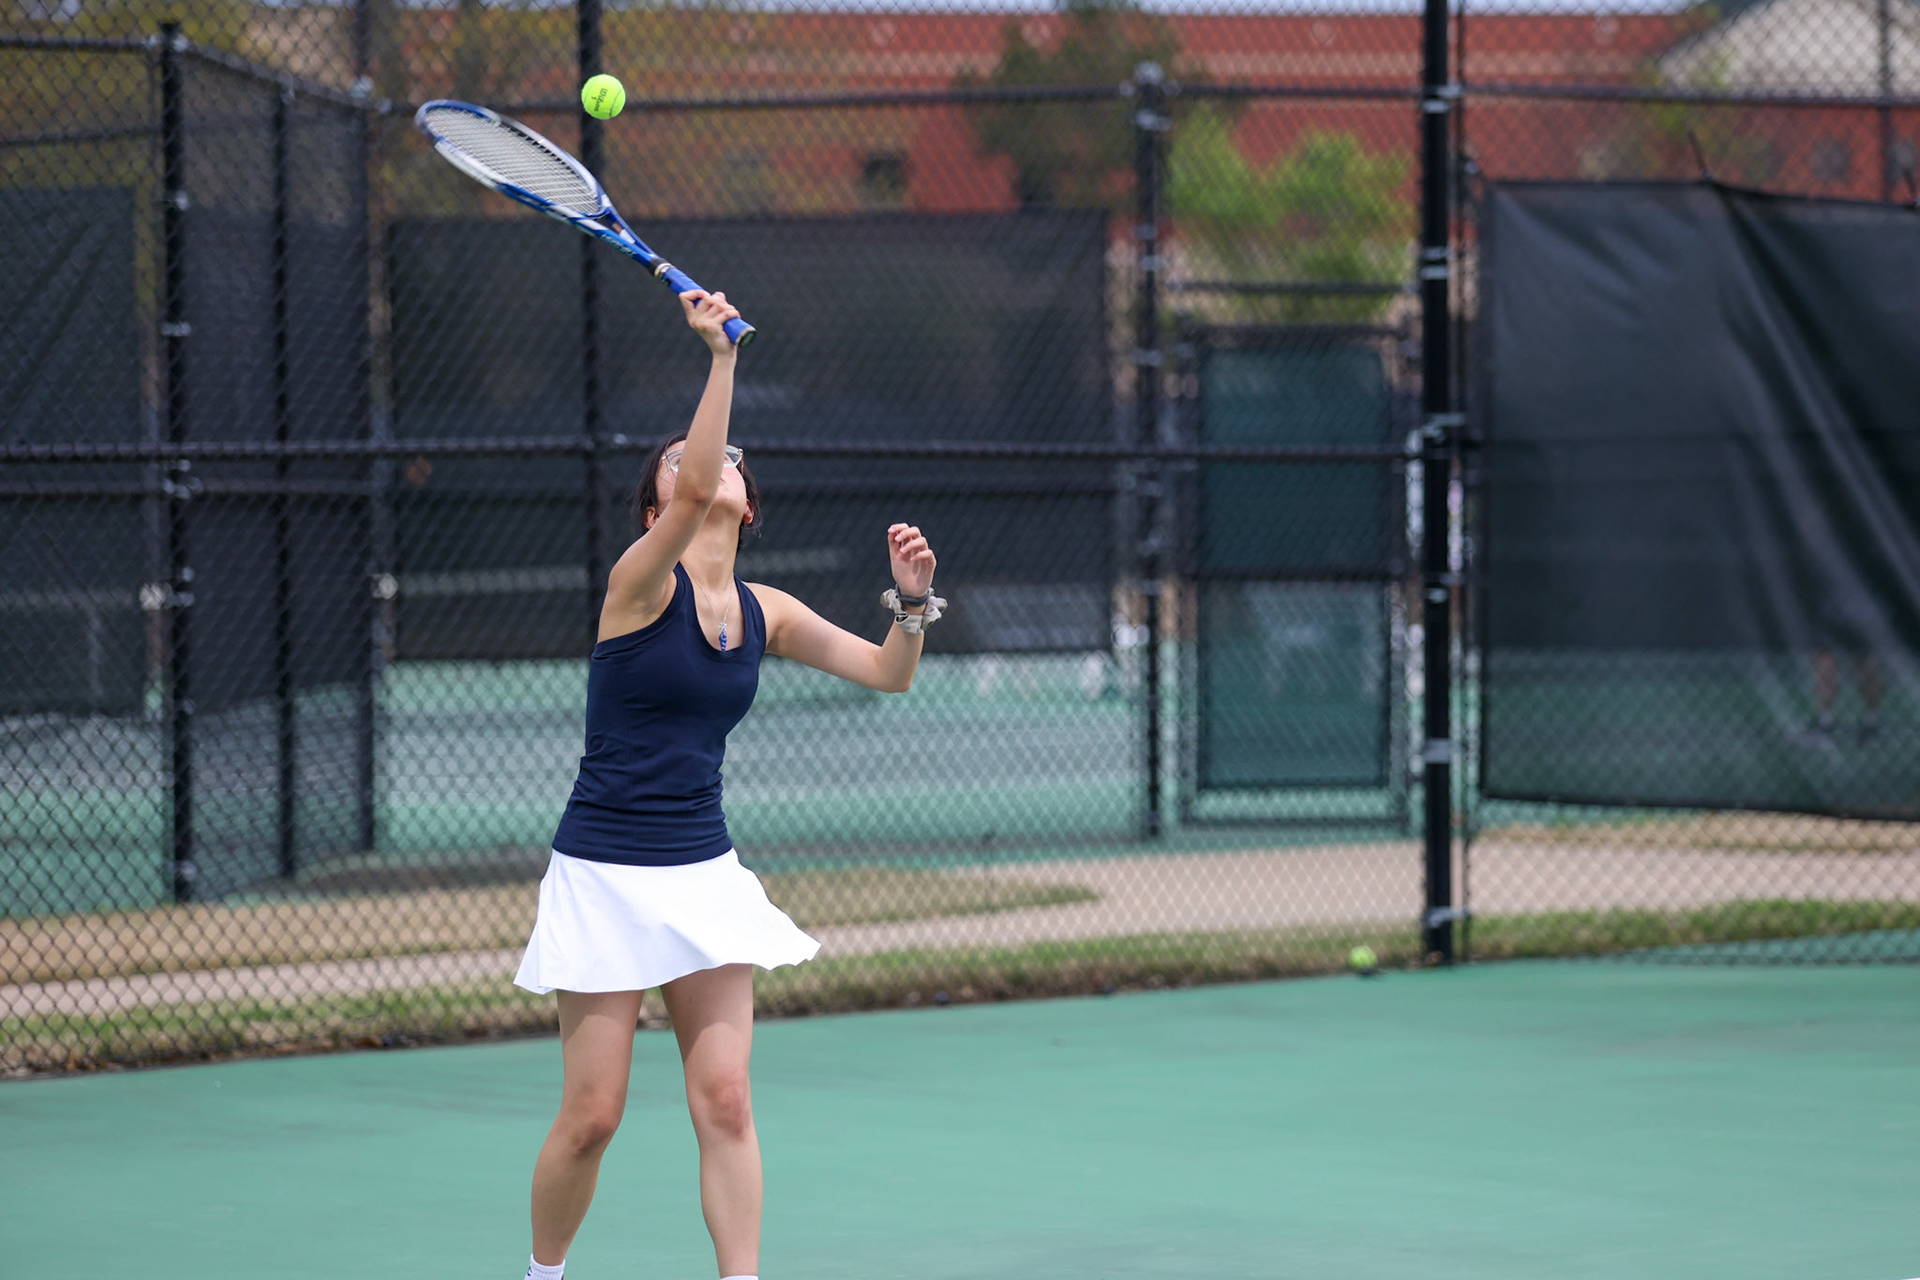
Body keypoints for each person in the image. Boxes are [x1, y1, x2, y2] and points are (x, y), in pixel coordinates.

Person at [512, 289, 944, 1280]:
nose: (714, 467)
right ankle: (543, 1275)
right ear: (661, 502)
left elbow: (888, 670)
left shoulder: (767, 609)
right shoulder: (639, 581)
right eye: (688, 463)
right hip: (604, 871)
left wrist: (912, 604)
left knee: (727, 1099)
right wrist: (720, 357)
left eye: (732, 466)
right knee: (592, 1113)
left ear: (750, 507)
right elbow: (702, 459)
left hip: (701, 872)